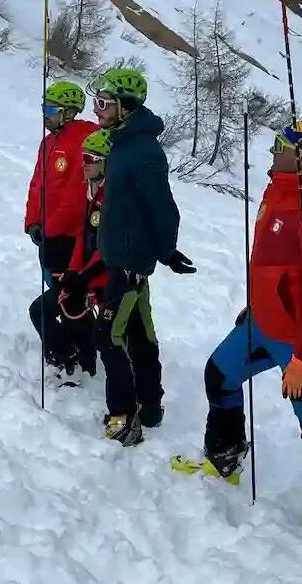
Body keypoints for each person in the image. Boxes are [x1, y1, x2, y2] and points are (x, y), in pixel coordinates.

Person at [197, 121, 302, 517]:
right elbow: (274, 263)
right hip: (263, 324)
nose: (271, 152)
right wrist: (258, 302)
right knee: (219, 376)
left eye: (280, 146)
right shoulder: (277, 192)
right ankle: (225, 458)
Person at [89, 69, 194, 446]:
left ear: (127, 107)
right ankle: (151, 406)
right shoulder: (123, 143)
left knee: (109, 336)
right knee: (138, 332)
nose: (97, 108)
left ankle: (124, 416)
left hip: (130, 261)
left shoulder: (144, 151)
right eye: (96, 100)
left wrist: (166, 251)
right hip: (120, 255)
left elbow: (162, 207)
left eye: (104, 102)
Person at [29, 129, 113, 385]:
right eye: (83, 158)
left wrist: (83, 277)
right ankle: (66, 356)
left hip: (103, 281)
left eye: (91, 159)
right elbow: (83, 239)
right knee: (44, 310)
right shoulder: (92, 192)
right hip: (84, 276)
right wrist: (74, 272)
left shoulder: (111, 198)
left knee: (106, 333)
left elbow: (107, 248)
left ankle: (84, 367)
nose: (84, 164)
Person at [24, 81, 101, 287]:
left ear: (69, 113)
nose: (44, 114)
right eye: (44, 108)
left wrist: (50, 230)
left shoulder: (85, 140)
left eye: (50, 109)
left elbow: (76, 196)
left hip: (70, 239)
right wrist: (33, 222)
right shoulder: (48, 142)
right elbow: (36, 185)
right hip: (46, 236)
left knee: (66, 300)